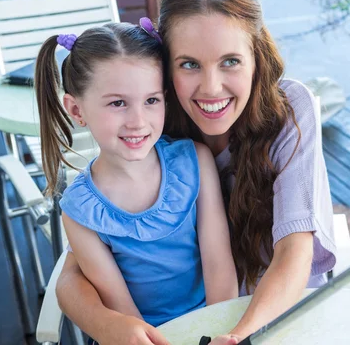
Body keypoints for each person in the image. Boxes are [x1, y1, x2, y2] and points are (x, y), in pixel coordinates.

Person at [56, 0, 337, 345]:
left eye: (231, 61)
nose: (211, 88)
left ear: (257, 58)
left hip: (272, 315)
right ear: (164, 68)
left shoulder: (288, 111)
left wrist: (233, 335)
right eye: (189, 64)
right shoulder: (152, 125)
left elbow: (294, 252)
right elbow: (74, 273)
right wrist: (110, 326)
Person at [36, 22, 237, 343]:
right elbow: (123, 311)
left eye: (151, 100)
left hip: (213, 324)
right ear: (76, 109)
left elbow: (219, 266)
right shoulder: (80, 211)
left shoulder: (195, 161)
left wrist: (218, 333)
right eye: (118, 103)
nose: (138, 121)